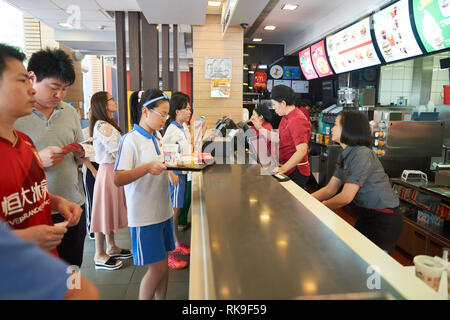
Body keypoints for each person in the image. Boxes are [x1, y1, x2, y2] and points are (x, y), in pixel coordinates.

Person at [0, 43, 82, 257]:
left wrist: (56, 201)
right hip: (17, 272)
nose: (30, 89)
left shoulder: (23, 141)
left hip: (56, 220)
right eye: (21, 81)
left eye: (64, 89)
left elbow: (28, 194)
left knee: (72, 275)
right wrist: (23, 239)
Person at [311, 110, 403, 255]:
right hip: (366, 215)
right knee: (357, 257)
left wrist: (319, 207)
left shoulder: (362, 154)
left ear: (349, 129)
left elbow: (346, 197)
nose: (332, 128)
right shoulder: (345, 154)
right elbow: (330, 189)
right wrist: (306, 201)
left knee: (375, 267)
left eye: (335, 125)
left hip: (384, 218)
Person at [114, 89, 176, 300]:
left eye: (167, 115)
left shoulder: (156, 136)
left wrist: (169, 172)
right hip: (145, 216)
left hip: (164, 212)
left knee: (164, 267)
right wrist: (148, 167)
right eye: (162, 114)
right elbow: (118, 178)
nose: (164, 119)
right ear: (145, 111)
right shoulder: (130, 140)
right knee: (156, 270)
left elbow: (159, 163)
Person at [0, 222, 99, 300]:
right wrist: (23, 237)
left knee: (74, 268)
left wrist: (57, 202)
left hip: (62, 219)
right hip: (21, 253)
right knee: (80, 290)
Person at [89, 91, 131, 270]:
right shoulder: (103, 126)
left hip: (113, 170)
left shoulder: (108, 124)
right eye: (111, 99)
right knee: (102, 212)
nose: (115, 101)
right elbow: (117, 153)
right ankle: (99, 254)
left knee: (109, 210)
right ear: (103, 104)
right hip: (109, 171)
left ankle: (111, 246)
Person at [253, 85, 311, 188]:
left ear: (283, 103)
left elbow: (302, 150)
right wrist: (260, 128)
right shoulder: (285, 117)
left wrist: (282, 169)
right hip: (286, 167)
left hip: (296, 170)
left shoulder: (297, 119)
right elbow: (278, 138)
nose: (273, 107)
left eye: (274, 104)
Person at [162, 92, 192, 269]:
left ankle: (175, 241)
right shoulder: (171, 130)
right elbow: (165, 154)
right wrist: (171, 172)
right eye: (186, 109)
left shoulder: (182, 128)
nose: (189, 111)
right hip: (174, 175)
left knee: (176, 209)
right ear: (177, 110)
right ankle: (171, 247)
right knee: (172, 211)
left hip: (181, 173)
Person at [82, 107, 98, 240]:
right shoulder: (85, 132)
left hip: (102, 167)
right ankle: (92, 228)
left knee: (101, 201)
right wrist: (93, 171)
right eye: (90, 113)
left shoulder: (102, 130)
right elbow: (83, 156)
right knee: (91, 199)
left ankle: (100, 227)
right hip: (90, 168)